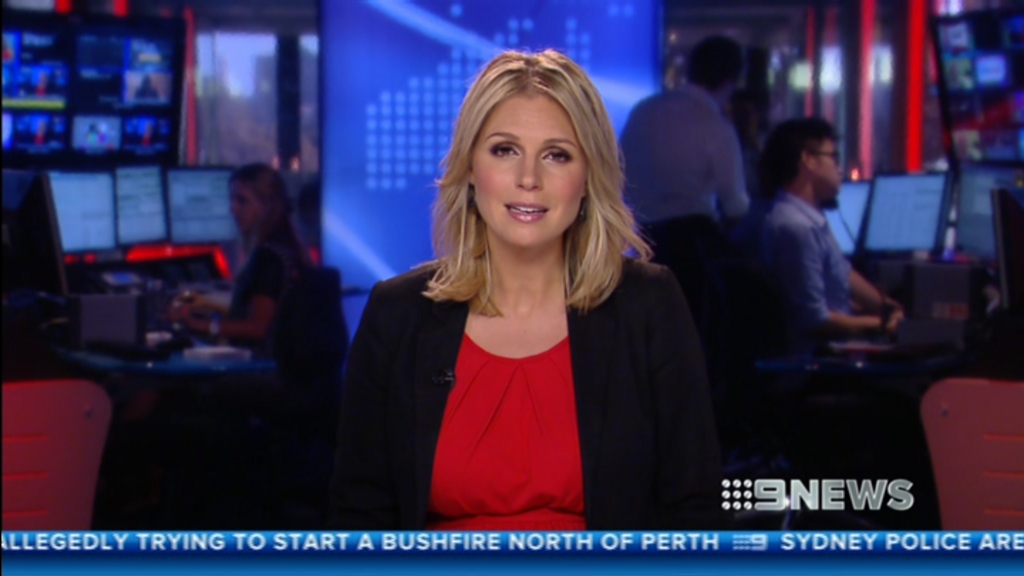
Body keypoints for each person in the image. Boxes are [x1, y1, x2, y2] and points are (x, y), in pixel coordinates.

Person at [329, 50, 726, 531]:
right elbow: (361, 521)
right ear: (470, 169)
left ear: (588, 178)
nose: (529, 180)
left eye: (557, 155)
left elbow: (694, 509)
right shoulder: (397, 315)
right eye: (504, 150)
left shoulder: (648, 306)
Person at [618, 35, 748, 359]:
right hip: (693, 246)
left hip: (642, 239)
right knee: (692, 341)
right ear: (731, 81)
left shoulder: (645, 110)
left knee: (649, 340)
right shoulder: (715, 124)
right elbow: (735, 202)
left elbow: (617, 171)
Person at [758, 118, 904, 355]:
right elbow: (815, 321)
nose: (839, 168)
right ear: (808, 160)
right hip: (821, 360)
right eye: (834, 157)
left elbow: (843, 274)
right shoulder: (797, 228)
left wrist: (890, 309)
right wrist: (881, 324)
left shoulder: (808, 220)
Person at [167, 162, 310, 352]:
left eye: (242, 201)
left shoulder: (268, 257)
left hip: (259, 366)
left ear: (267, 205)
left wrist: (199, 325)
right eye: (232, 200)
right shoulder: (287, 248)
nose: (232, 209)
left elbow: (258, 328)